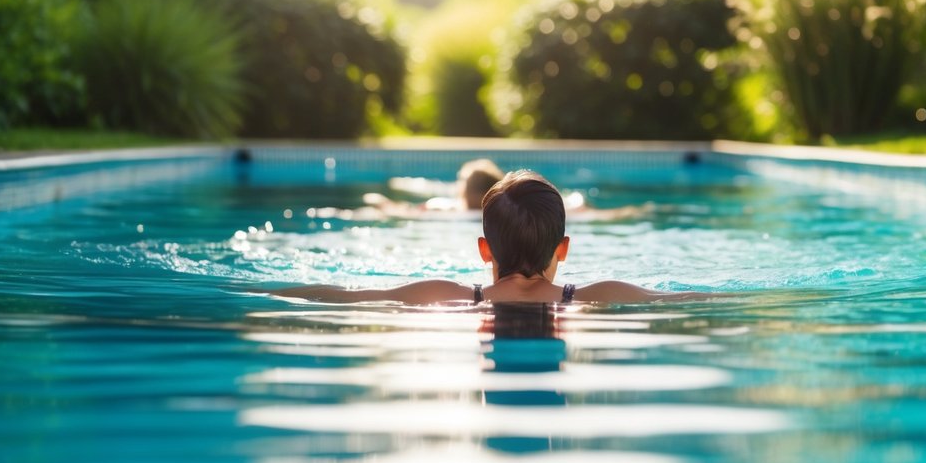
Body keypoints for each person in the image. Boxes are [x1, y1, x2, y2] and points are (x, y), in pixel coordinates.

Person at [269, 169, 709, 305]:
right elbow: (688, 299)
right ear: (564, 248)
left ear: (484, 250)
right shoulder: (600, 294)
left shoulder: (447, 294)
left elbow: (348, 295)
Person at [363, 158, 504, 215]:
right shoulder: (492, 218)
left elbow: (411, 213)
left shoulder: (447, 209)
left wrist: (383, 203)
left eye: (462, 182)